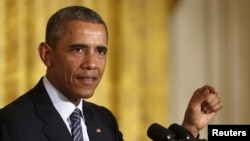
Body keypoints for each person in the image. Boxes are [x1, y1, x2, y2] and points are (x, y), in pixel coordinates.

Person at [0, 5, 223, 141]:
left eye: (100, 51)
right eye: (78, 49)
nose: (92, 63)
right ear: (47, 55)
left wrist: (190, 127)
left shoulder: (103, 121)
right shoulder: (11, 124)